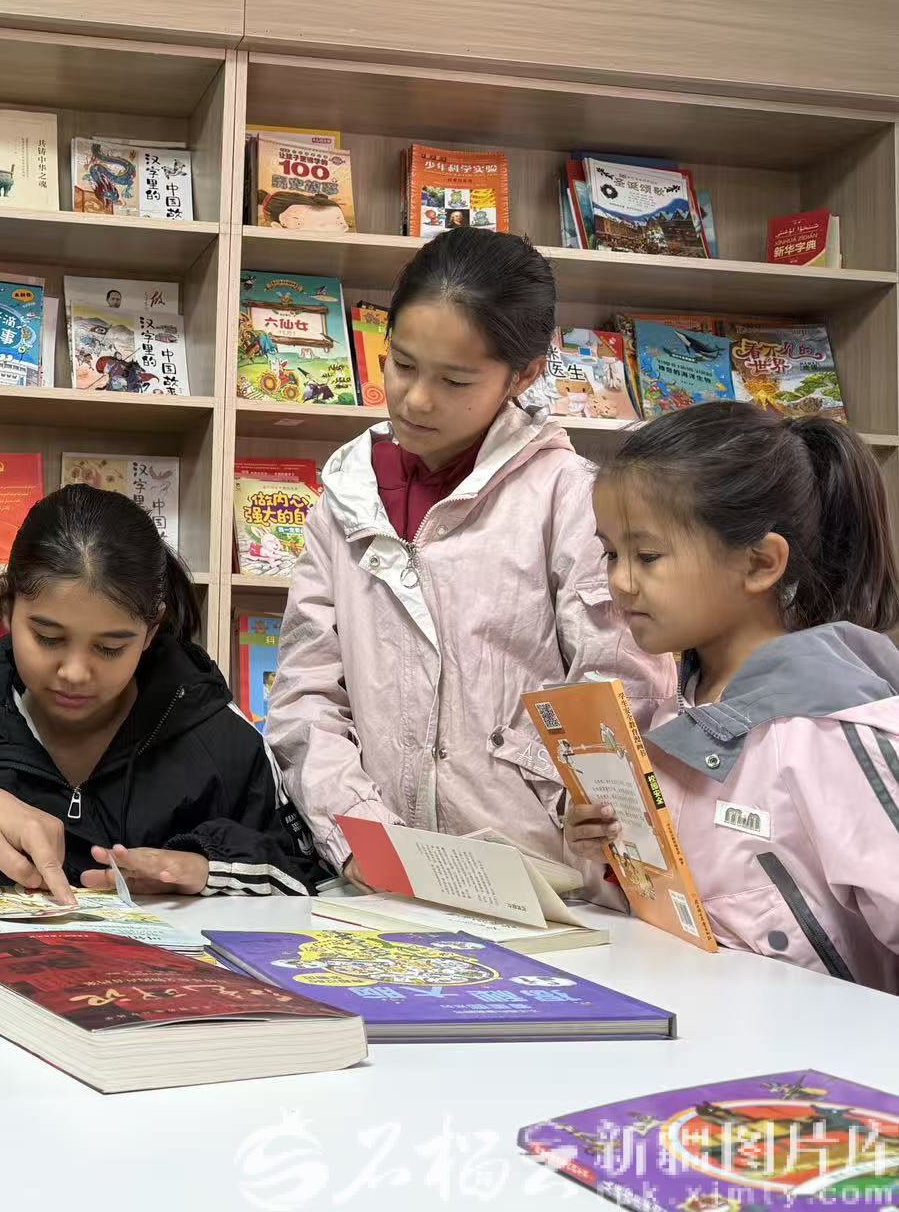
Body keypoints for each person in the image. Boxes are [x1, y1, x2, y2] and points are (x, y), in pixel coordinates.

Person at [265, 227, 673, 880]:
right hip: (384, 879)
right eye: (401, 364)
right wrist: (362, 838)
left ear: (525, 374)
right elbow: (305, 697)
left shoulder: (570, 499)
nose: (416, 399)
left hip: (545, 879)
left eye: (455, 380)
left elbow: (618, 685)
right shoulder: (344, 498)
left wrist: (568, 806)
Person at [570, 402, 899, 991]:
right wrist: (609, 856)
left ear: (760, 563)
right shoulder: (674, 711)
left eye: (647, 556)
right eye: (611, 554)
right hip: (695, 1024)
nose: (620, 581)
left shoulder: (828, 731)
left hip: (820, 1047)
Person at [0, 485, 326, 900]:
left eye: (110, 648)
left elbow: (309, 883)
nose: (75, 673)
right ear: (6, 605)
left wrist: (210, 869)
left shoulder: (221, 741)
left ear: (151, 631)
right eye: (48, 638)